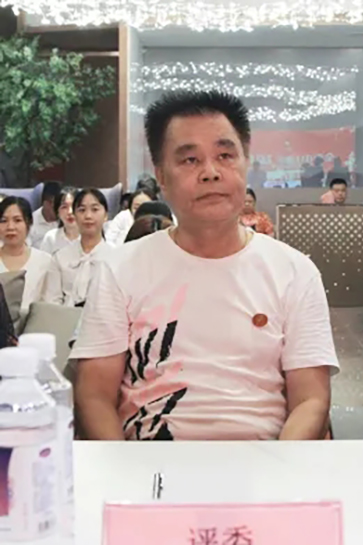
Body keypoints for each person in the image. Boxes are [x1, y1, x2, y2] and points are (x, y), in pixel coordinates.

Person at [72, 90, 338, 441]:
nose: (210, 172)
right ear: (161, 176)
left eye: (225, 156)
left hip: (264, 460)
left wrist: (280, 468)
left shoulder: (294, 272)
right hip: (149, 462)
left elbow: (311, 401)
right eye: (190, 160)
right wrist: (124, 470)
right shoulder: (119, 269)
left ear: (246, 163)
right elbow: (94, 397)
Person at [43, 189, 114, 308]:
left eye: (95, 209)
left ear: (106, 215)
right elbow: (51, 302)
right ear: (75, 216)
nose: (88, 216)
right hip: (65, 317)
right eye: (82, 210)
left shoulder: (116, 257)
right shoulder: (60, 258)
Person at [0, 197, 53, 317]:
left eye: (17, 220)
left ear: (28, 223)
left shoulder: (46, 262)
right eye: (3, 221)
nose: (10, 227)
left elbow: (49, 306)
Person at [39, 186, 79, 255]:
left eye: (73, 206)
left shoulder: (92, 236)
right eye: (64, 207)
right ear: (57, 212)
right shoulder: (50, 238)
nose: (70, 212)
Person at [29, 181, 62, 249]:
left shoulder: (66, 219)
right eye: (56, 206)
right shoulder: (31, 223)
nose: (59, 210)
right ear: (46, 203)